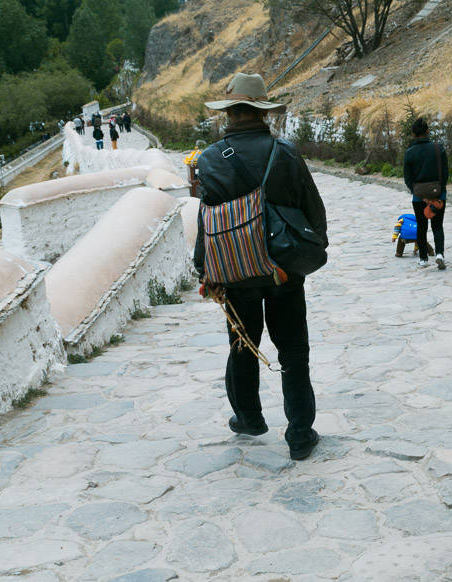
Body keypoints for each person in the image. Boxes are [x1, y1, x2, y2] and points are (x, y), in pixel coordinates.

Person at [193, 72, 327, 461]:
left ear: (230, 114)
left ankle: (249, 417)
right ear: (261, 111)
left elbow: (207, 220)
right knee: (293, 351)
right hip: (282, 267)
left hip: (234, 270)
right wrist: (312, 249)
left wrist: (206, 270)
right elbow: (312, 207)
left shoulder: (209, 160)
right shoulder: (284, 152)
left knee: (242, 344)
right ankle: (300, 434)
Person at [402, 117, 449, 270]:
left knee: (421, 227)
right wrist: (440, 189)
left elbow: (408, 178)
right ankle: (440, 254)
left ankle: (423, 258)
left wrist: (418, 193)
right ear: (427, 131)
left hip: (419, 197)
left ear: (413, 133)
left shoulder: (409, 152)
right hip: (438, 195)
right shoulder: (438, 148)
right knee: (437, 226)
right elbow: (445, 173)